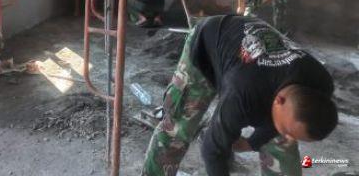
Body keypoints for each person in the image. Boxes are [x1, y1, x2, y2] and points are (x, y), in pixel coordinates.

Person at [142, 15, 337, 176]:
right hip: (208, 44)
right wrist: (226, 140)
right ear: (279, 101)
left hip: (249, 61)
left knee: (283, 146)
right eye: (286, 129)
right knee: (177, 127)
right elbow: (212, 150)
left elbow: (283, 127)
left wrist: (253, 142)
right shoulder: (243, 95)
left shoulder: (321, 83)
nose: (288, 136)